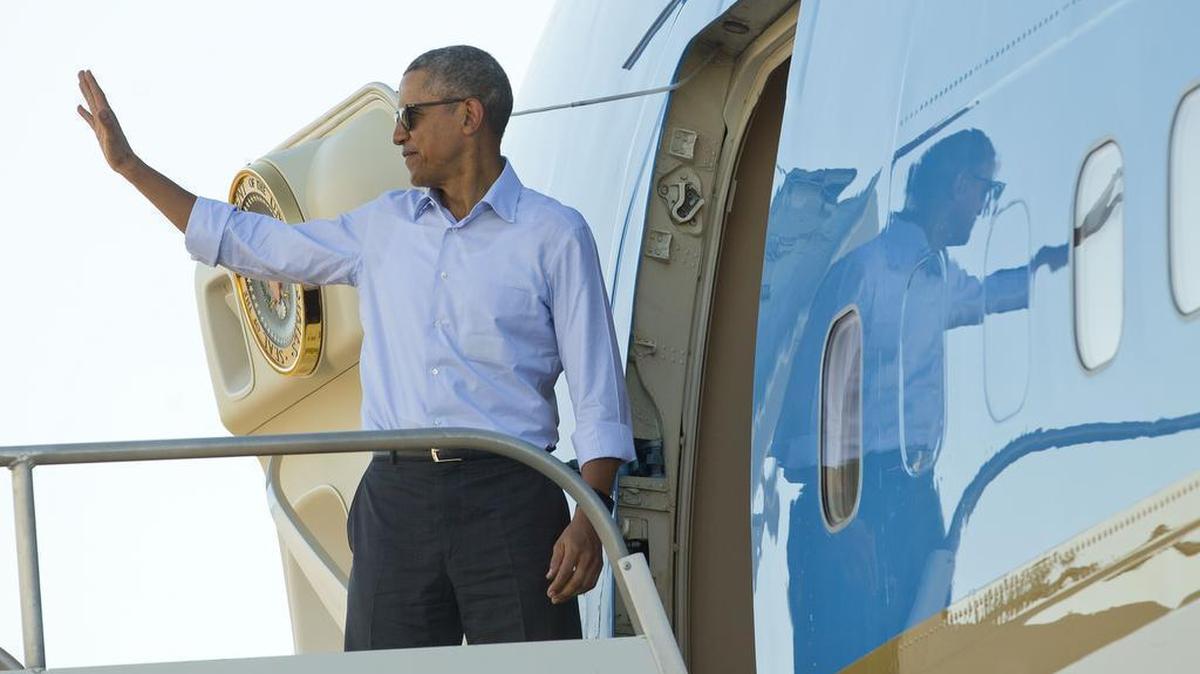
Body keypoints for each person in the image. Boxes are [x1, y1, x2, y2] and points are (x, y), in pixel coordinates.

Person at [76, 45, 634, 649]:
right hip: (396, 502)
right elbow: (252, 242)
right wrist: (131, 167)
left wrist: (590, 517)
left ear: (469, 115)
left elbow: (599, 392)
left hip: (514, 498)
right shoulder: (382, 226)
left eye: (411, 115)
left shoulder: (556, 234)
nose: (397, 135)